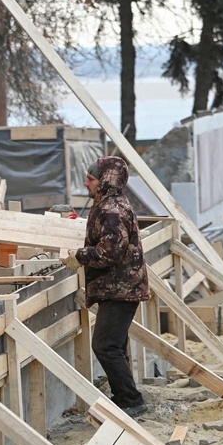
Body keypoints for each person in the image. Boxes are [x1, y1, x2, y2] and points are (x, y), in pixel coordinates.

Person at [61, 155, 150, 417]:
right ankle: (124, 397)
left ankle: (131, 400)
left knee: (104, 345)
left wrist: (79, 256)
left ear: (105, 181)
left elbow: (110, 252)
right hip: (119, 287)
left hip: (120, 289)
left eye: (91, 178)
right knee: (115, 345)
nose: (86, 183)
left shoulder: (112, 210)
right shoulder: (108, 205)